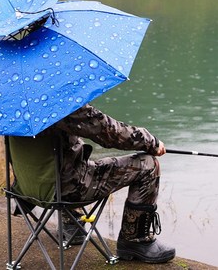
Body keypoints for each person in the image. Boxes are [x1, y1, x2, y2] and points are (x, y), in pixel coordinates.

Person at [9, 103, 175, 264]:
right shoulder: (59, 102)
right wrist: (151, 142)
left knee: (73, 158)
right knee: (148, 165)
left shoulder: (11, 104)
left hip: (27, 189)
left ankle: (72, 225)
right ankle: (135, 241)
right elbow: (107, 131)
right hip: (67, 190)